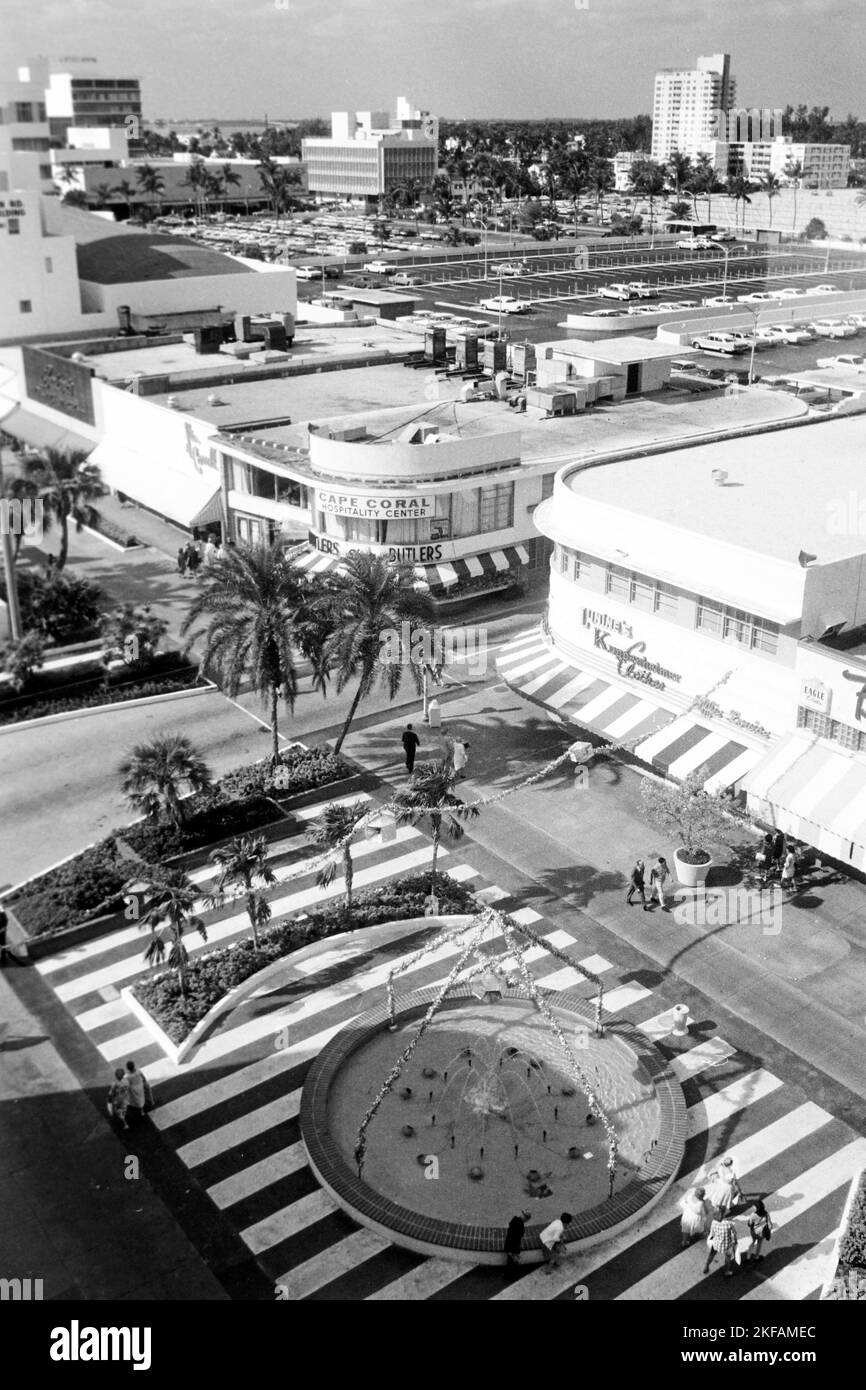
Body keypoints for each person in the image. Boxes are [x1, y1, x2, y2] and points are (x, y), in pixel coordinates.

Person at [703, 1207, 739, 1278]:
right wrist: (735, 1242)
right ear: (723, 1214)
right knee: (728, 1258)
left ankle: (706, 1266)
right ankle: (727, 1271)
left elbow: (712, 1234)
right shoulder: (729, 1224)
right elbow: (734, 1234)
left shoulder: (714, 1222)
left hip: (716, 1243)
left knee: (711, 1255)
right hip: (727, 1245)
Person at [680, 1186, 713, 1250]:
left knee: (685, 1229)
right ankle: (702, 1235)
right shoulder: (700, 1203)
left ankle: (685, 1242)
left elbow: (686, 1201)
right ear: (702, 1196)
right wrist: (704, 1203)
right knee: (699, 1227)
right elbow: (705, 1212)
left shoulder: (690, 1197)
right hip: (695, 1219)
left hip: (687, 1216)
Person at [125, 1059, 153, 1124]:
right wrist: (145, 1082)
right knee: (141, 1097)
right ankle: (142, 1110)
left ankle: (140, 1110)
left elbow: (126, 1084)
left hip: (133, 1088)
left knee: (136, 1099)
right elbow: (143, 1077)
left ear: (127, 1068)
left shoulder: (127, 1076)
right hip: (140, 1086)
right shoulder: (138, 1071)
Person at [107, 1068, 131, 1133]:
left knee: (118, 1111)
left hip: (117, 1100)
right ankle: (124, 1113)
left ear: (116, 1076)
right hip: (125, 1098)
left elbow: (110, 1093)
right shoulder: (127, 1081)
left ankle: (125, 1123)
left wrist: (109, 1100)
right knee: (124, 1108)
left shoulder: (114, 1084)